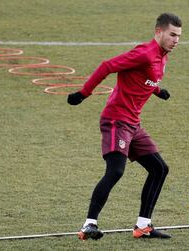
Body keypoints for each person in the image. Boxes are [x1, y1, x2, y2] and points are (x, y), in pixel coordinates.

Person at [67, 13, 182, 240]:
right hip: (116, 120)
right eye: (172, 35)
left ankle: (143, 226)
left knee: (159, 169)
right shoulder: (145, 53)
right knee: (116, 170)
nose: (176, 40)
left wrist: (158, 91)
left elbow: (145, 79)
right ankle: (89, 224)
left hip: (133, 124)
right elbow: (108, 65)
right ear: (158, 32)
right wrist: (83, 94)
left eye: (179, 36)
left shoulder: (163, 55)